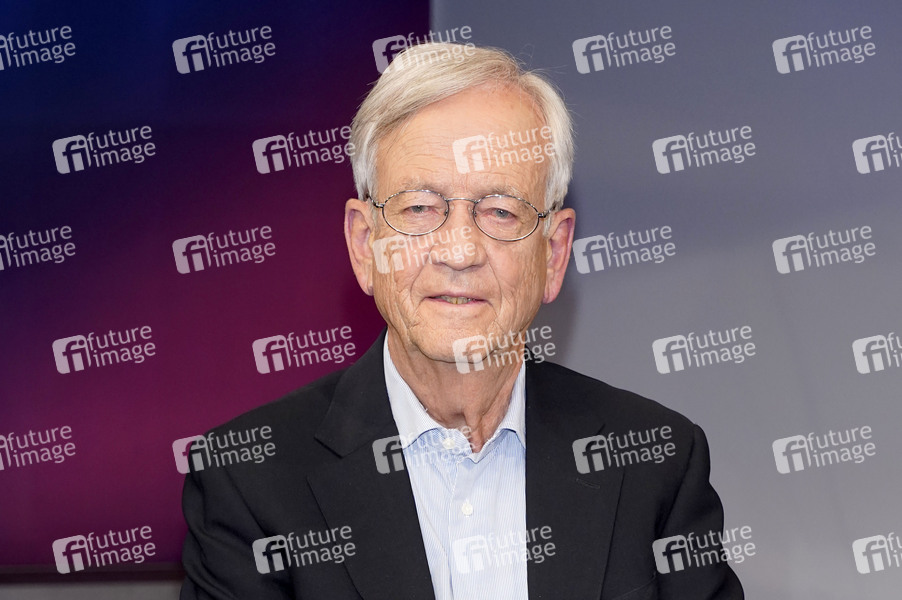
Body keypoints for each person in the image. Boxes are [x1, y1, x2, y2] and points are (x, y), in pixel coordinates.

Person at [180, 42, 744, 599]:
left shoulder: (656, 461)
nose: (459, 251)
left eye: (500, 211)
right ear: (364, 244)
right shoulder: (249, 481)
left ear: (553, 254)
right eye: (419, 208)